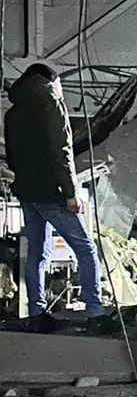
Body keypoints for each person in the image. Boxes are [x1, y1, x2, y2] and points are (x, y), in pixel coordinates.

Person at [3, 63, 104, 328]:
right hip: (51, 192)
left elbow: (12, 159)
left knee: (37, 253)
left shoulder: (12, 113)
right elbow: (62, 152)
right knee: (86, 248)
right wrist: (70, 193)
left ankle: (36, 314)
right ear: (51, 81)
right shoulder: (50, 103)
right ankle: (95, 312)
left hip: (26, 191)